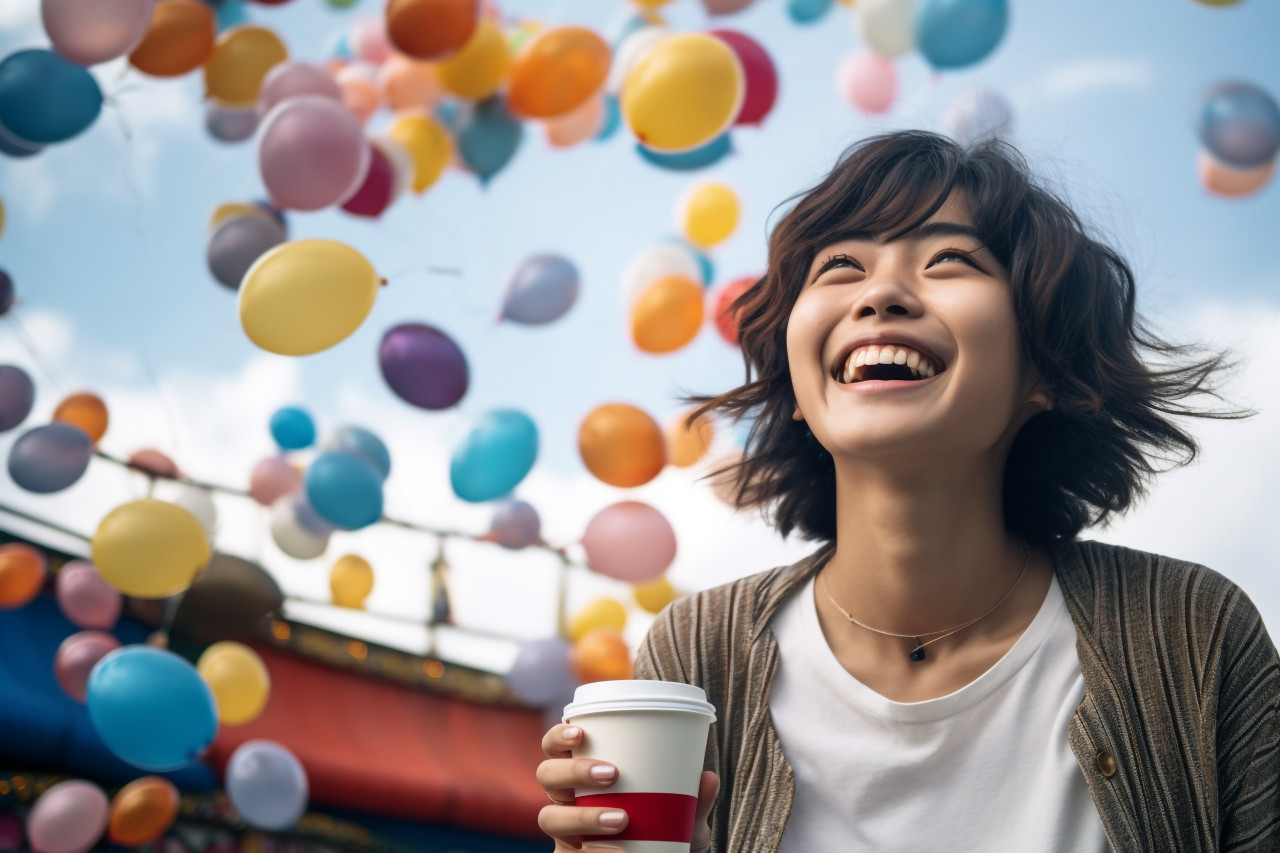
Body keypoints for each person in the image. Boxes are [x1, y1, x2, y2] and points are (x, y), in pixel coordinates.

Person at [536, 130, 1280, 852]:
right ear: (797, 384)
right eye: (840, 267)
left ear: (1043, 371)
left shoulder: (1195, 636)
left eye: (950, 259)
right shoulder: (698, 652)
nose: (882, 294)